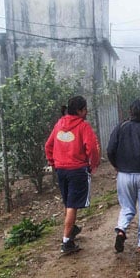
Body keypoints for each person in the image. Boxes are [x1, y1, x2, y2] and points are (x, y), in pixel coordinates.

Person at [45, 95, 100, 253]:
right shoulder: (83, 126)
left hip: (61, 170)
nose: (86, 111)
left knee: (68, 203)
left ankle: (71, 229)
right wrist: (93, 164)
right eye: (85, 109)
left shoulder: (59, 124)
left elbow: (48, 145)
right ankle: (67, 242)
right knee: (72, 205)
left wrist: (53, 162)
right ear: (79, 110)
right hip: (77, 170)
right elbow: (92, 148)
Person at [107, 99, 140, 254]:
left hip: (123, 175)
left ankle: (121, 230)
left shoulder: (120, 127)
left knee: (126, 207)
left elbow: (110, 150)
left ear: (129, 112)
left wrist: (116, 165)